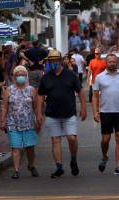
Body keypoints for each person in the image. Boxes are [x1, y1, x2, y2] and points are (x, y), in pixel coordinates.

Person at [37, 49, 87, 178]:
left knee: (72, 138)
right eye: (50, 61)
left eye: (55, 60)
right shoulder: (45, 78)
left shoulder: (70, 75)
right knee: (55, 140)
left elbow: (80, 91)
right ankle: (59, 167)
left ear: (60, 61)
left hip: (69, 113)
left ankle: (73, 159)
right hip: (52, 114)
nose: (53, 63)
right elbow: (41, 96)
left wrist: (83, 108)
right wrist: (38, 113)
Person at [92, 54, 119, 175]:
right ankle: (104, 156)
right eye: (110, 62)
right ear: (106, 63)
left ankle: (118, 166)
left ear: (117, 63)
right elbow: (95, 96)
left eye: (114, 62)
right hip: (105, 112)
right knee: (105, 140)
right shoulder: (99, 77)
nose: (112, 63)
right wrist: (95, 112)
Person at [1, 65, 40, 179]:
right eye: (18, 75)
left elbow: (36, 107)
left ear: (26, 76)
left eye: (23, 75)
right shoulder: (9, 90)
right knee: (15, 147)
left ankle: (31, 165)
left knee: (30, 148)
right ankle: (16, 170)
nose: (20, 77)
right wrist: (3, 121)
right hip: (13, 122)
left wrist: (38, 119)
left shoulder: (31, 90)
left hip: (29, 123)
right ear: (14, 77)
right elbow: (4, 106)